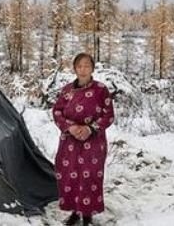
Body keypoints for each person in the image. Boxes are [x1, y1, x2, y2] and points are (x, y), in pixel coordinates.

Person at [52, 53, 115, 226]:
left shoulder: (101, 90)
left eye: (87, 65)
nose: (83, 69)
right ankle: (74, 211)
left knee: (90, 176)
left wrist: (90, 128)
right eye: (79, 66)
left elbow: (108, 115)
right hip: (70, 142)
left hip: (93, 142)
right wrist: (70, 127)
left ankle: (87, 214)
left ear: (92, 68)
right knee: (70, 175)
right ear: (75, 69)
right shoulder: (67, 90)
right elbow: (57, 111)